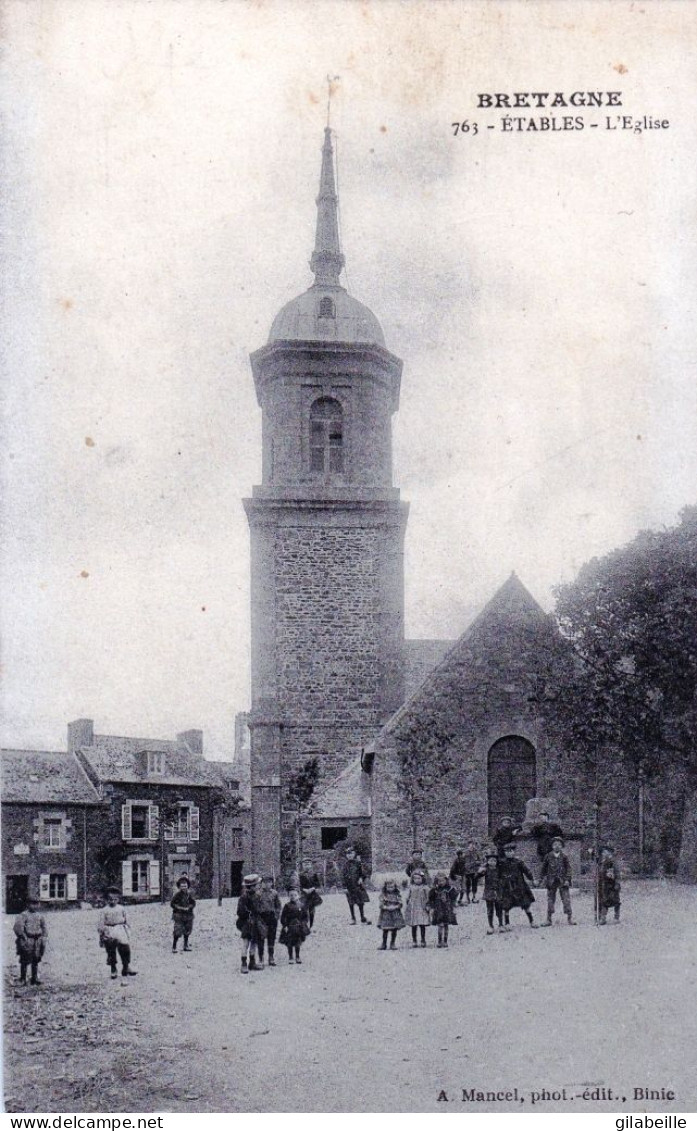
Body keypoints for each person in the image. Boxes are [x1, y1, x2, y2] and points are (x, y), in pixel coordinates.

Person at [98, 887, 137, 978]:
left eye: (115, 899)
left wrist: (127, 929)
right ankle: (113, 968)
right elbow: (101, 923)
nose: (113, 901)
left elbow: (127, 920)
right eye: (110, 899)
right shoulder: (104, 910)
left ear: (118, 899)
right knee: (111, 950)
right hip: (109, 930)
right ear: (107, 900)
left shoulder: (121, 908)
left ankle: (126, 966)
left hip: (120, 929)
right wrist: (102, 933)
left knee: (125, 949)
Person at [499, 843, 538, 928]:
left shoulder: (518, 862)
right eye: (506, 851)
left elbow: (527, 871)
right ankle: (507, 923)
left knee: (526, 904)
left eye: (510, 851)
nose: (509, 853)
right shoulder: (502, 862)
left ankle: (532, 921)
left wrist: (532, 879)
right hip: (507, 887)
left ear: (514, 852)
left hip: (519, 886)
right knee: (506, 906)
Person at [540, 837, 577, 926]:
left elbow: (568, 869)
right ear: (552, 846)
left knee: (566, 899)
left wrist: (567, 879)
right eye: (555, 844)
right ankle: (548, 919)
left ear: (562, 846)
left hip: (562, 881)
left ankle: (570, 918)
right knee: (550, 900)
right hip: (551, 881)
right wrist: (541, 879)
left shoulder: (564, 857)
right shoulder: (548, 856)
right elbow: (543, 869)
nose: (557, 846)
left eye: (559, 845)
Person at [14, 899, 48, 985]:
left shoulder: (40, 916)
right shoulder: (23, 915)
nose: (35, 906)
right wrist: (23, 937)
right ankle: (23, 978)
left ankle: (34, 978)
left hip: (37, 940)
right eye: (32, 904)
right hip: (27, 939)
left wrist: (43, 937)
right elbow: (18, 928)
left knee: (36, 959)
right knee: (25, 959)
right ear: (28, 904)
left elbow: (44, 927)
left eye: (36, 904)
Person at [236, 873, 266, 973]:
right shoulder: (243, 897)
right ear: (252, 886)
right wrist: (249, 914)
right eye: (257, 884)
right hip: (247, 923)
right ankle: (243, 963)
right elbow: (240, 911)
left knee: (254, 942)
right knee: (246, 943)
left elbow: (261, 908)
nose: (259, 886)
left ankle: (252, 962)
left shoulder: (258, 895)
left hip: (256, 922)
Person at [257, 875, 282, 965]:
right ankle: (261, 958)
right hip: (262, 918)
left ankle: (271, 957)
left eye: (269, 882)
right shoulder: (258, 894)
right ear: (261, 883)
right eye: (264, 882)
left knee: (271, 937)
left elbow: (278, 905)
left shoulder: (274, 893)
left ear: (272, 883)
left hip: (272, 917)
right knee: (261, 938)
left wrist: (276, 915)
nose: (267, 884)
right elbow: (255, 906)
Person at [279, 889, 309, 964]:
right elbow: (283, 917)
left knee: (298, 943)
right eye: (291, 895)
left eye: (295, 895)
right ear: (289, 896)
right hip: (290, 927)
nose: (293, 897)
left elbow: (306, 917)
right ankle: (291, 957)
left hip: (299, 927)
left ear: (298, 896)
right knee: (289, 943)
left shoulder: (302, 905)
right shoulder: (287, 905)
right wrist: (285, 925)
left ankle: (298, 957)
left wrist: (303, 924)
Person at [342, 847, 371, 924]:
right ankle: (353, 918)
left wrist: (361, 878)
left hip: (358, 886)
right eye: (348, 854)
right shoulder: (345, 865)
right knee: (351, 902)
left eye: (351, 853)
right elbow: (343, 877)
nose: (350, 855)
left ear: (354, 854)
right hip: (349, 887)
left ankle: (362, 917)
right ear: (346, 855)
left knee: (360, 902)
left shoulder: (358, 863)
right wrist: (344, 887)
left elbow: (363, 873)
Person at [428, 872, 458, 948]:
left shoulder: (450, 889)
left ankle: (445, 941)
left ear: (446, 880)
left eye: (442, 880)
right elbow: (431, 900)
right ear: (436, 881)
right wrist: (432, 908)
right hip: (439, 910)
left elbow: (453, 899)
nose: (441, 882)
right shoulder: (434, 890)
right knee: (440, 925)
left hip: (447, 909)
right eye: (439, 881)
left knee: (446, 925)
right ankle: (439, 941)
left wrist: (454, 908)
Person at [377, 878, 406, 950]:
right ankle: (384, 943)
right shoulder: (383, 895)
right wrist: (386, 907)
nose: (390, 888)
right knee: (385, 930)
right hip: (386, 914)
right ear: (385, 887)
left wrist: (395, 906)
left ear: (395, 887)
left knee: (394, 929)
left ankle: (392, 943)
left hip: (395, 914)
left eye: (392, 887)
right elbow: (381, 905)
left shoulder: (397, 895)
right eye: (388, 887)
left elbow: (400, 904)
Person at [404, 868, 430, 947]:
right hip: (414, 908)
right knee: (414, 925)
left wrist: (428, 905)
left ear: (422, 878)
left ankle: (423, 939)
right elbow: (407, 897)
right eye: (415, 878)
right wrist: (407, 902)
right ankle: (414, 940)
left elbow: (428, 897)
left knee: (422, 924)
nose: (417, 880)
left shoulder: (425, 887)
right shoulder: (411, 887)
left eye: (419, 878)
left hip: (422, 907)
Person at [170, 875, 196, 953]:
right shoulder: (177, 895)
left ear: (188, 886)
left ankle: (185, 945)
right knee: (177, 931)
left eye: (185, 885)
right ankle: (174, 946)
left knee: (187, 930)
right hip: (179, 916)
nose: (184, 887)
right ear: (179, 887)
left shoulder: (189, 895)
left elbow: (193, 903)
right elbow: (172, 904)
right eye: (182, 886)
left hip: (188, 915)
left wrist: (190, 907)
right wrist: (179, 908)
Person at [482, 849, 504, 934]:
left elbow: (503, 878)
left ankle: (501, 924)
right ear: (487, 861)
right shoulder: (485, 870)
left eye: (494, 860)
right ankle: (490, 926)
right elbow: (477, 876)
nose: (493, 862)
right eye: (490, 860)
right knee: (490, 909)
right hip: (489, 892)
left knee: (499, 908)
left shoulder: (499, 869)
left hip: (498, 891)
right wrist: (480, 870)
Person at [598, 846, 621, 925]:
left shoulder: (613, 862)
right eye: (603, 852)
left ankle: (616, 917)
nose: (603, 854)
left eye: (605, 852)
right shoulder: (603, 862)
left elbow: (617, 874)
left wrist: (617, 883)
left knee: (616, 901)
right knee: (605, 901)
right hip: (605, 885)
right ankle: (603, 918)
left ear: (609, 853)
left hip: (613, 885)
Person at [299, 866, 323, 931]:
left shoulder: (314, 874)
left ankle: (311, 925)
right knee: (303, 909)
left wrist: (312, 888)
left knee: (311, 910)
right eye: (305, 863)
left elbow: (317, 884)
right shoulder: (300, 875)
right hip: (303, 894)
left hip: (312, 894)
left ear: (311, 864)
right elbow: (298, 885)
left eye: (309, 863)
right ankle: (304, 925)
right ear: (303, 865)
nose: (307, 865)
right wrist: (304, 889)